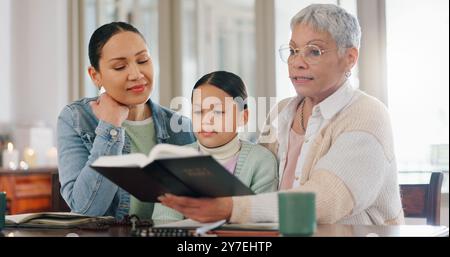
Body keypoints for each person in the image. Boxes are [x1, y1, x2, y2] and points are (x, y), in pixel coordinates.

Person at [159, 4, 405, 225]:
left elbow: (325, 202)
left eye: (314, 51)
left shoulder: (367, 114)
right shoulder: (282, 111)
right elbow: (259, 182)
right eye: (293, 50)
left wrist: (229, 208)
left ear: (349, 58)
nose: (297, 62)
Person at [57, 22, 195, 220]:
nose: (137, 74)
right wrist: (110, 128)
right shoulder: (76, 118)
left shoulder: (180, 126)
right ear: (95, 76)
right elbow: (85, 211)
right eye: (120, 66)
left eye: (143, 60)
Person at [152, 71, 278, 221]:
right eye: (198, 112)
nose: (207, 120)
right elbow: (164, 221)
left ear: (242, 117)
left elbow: (261, 221)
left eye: (218, 112)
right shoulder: (175, 160)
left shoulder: (261, 161)